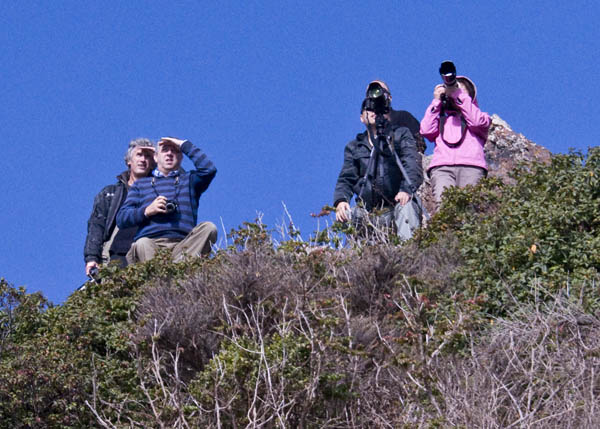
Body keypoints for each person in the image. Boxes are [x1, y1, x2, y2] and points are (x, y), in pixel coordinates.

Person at [333, 82, 423, 239]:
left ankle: (409, 256)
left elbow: (412, 164)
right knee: (347, 214)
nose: (373, 112)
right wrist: (341, 201)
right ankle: (361, 258)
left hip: (397, 205)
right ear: (361, 117)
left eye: (376, 108)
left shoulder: (400, 135)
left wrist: (406, 190)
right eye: (368, 109)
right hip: (370, 211)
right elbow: (346, 178)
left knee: (406, 208)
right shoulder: (354, 147)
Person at [116, 137, 217, 263]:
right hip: (151, 245)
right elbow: (121, 218)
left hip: (184, 244)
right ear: (156, 157)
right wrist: (147, 211)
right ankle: (169, 276)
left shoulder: (189, 180)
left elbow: (209, 169)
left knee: (209, 228)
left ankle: (177, 270)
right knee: (142, 243)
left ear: (181, 157)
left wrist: (184, 144)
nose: (169, 153)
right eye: (165, 150)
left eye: (175, 151)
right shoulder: (140, 185)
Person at [84, 138, 155, 276]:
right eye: (139, 155)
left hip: (146, 253)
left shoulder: (161, 189)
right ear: (129, 161)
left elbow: (181, 180)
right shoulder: (111, 193)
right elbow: (96, 225)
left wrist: (157, 156)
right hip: (114, 256)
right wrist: (92, 257)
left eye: (148, 156)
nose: (143, 160)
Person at [420, 74, 491, 212]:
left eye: (460, 90)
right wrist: (436, 102)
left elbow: (476, 121)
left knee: (469, 210)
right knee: (444, 209)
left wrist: (460, 97)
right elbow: (426, 130)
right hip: (442, 167)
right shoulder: (442, 120)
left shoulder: (481, 117)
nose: (455, 92)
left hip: (471, 167)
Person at [366, 80, 427, 153]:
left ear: (389, 97)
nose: (376, 95)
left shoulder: (404, 117)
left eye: (380, 90)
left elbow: (420, 144)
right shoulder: (371, 127)